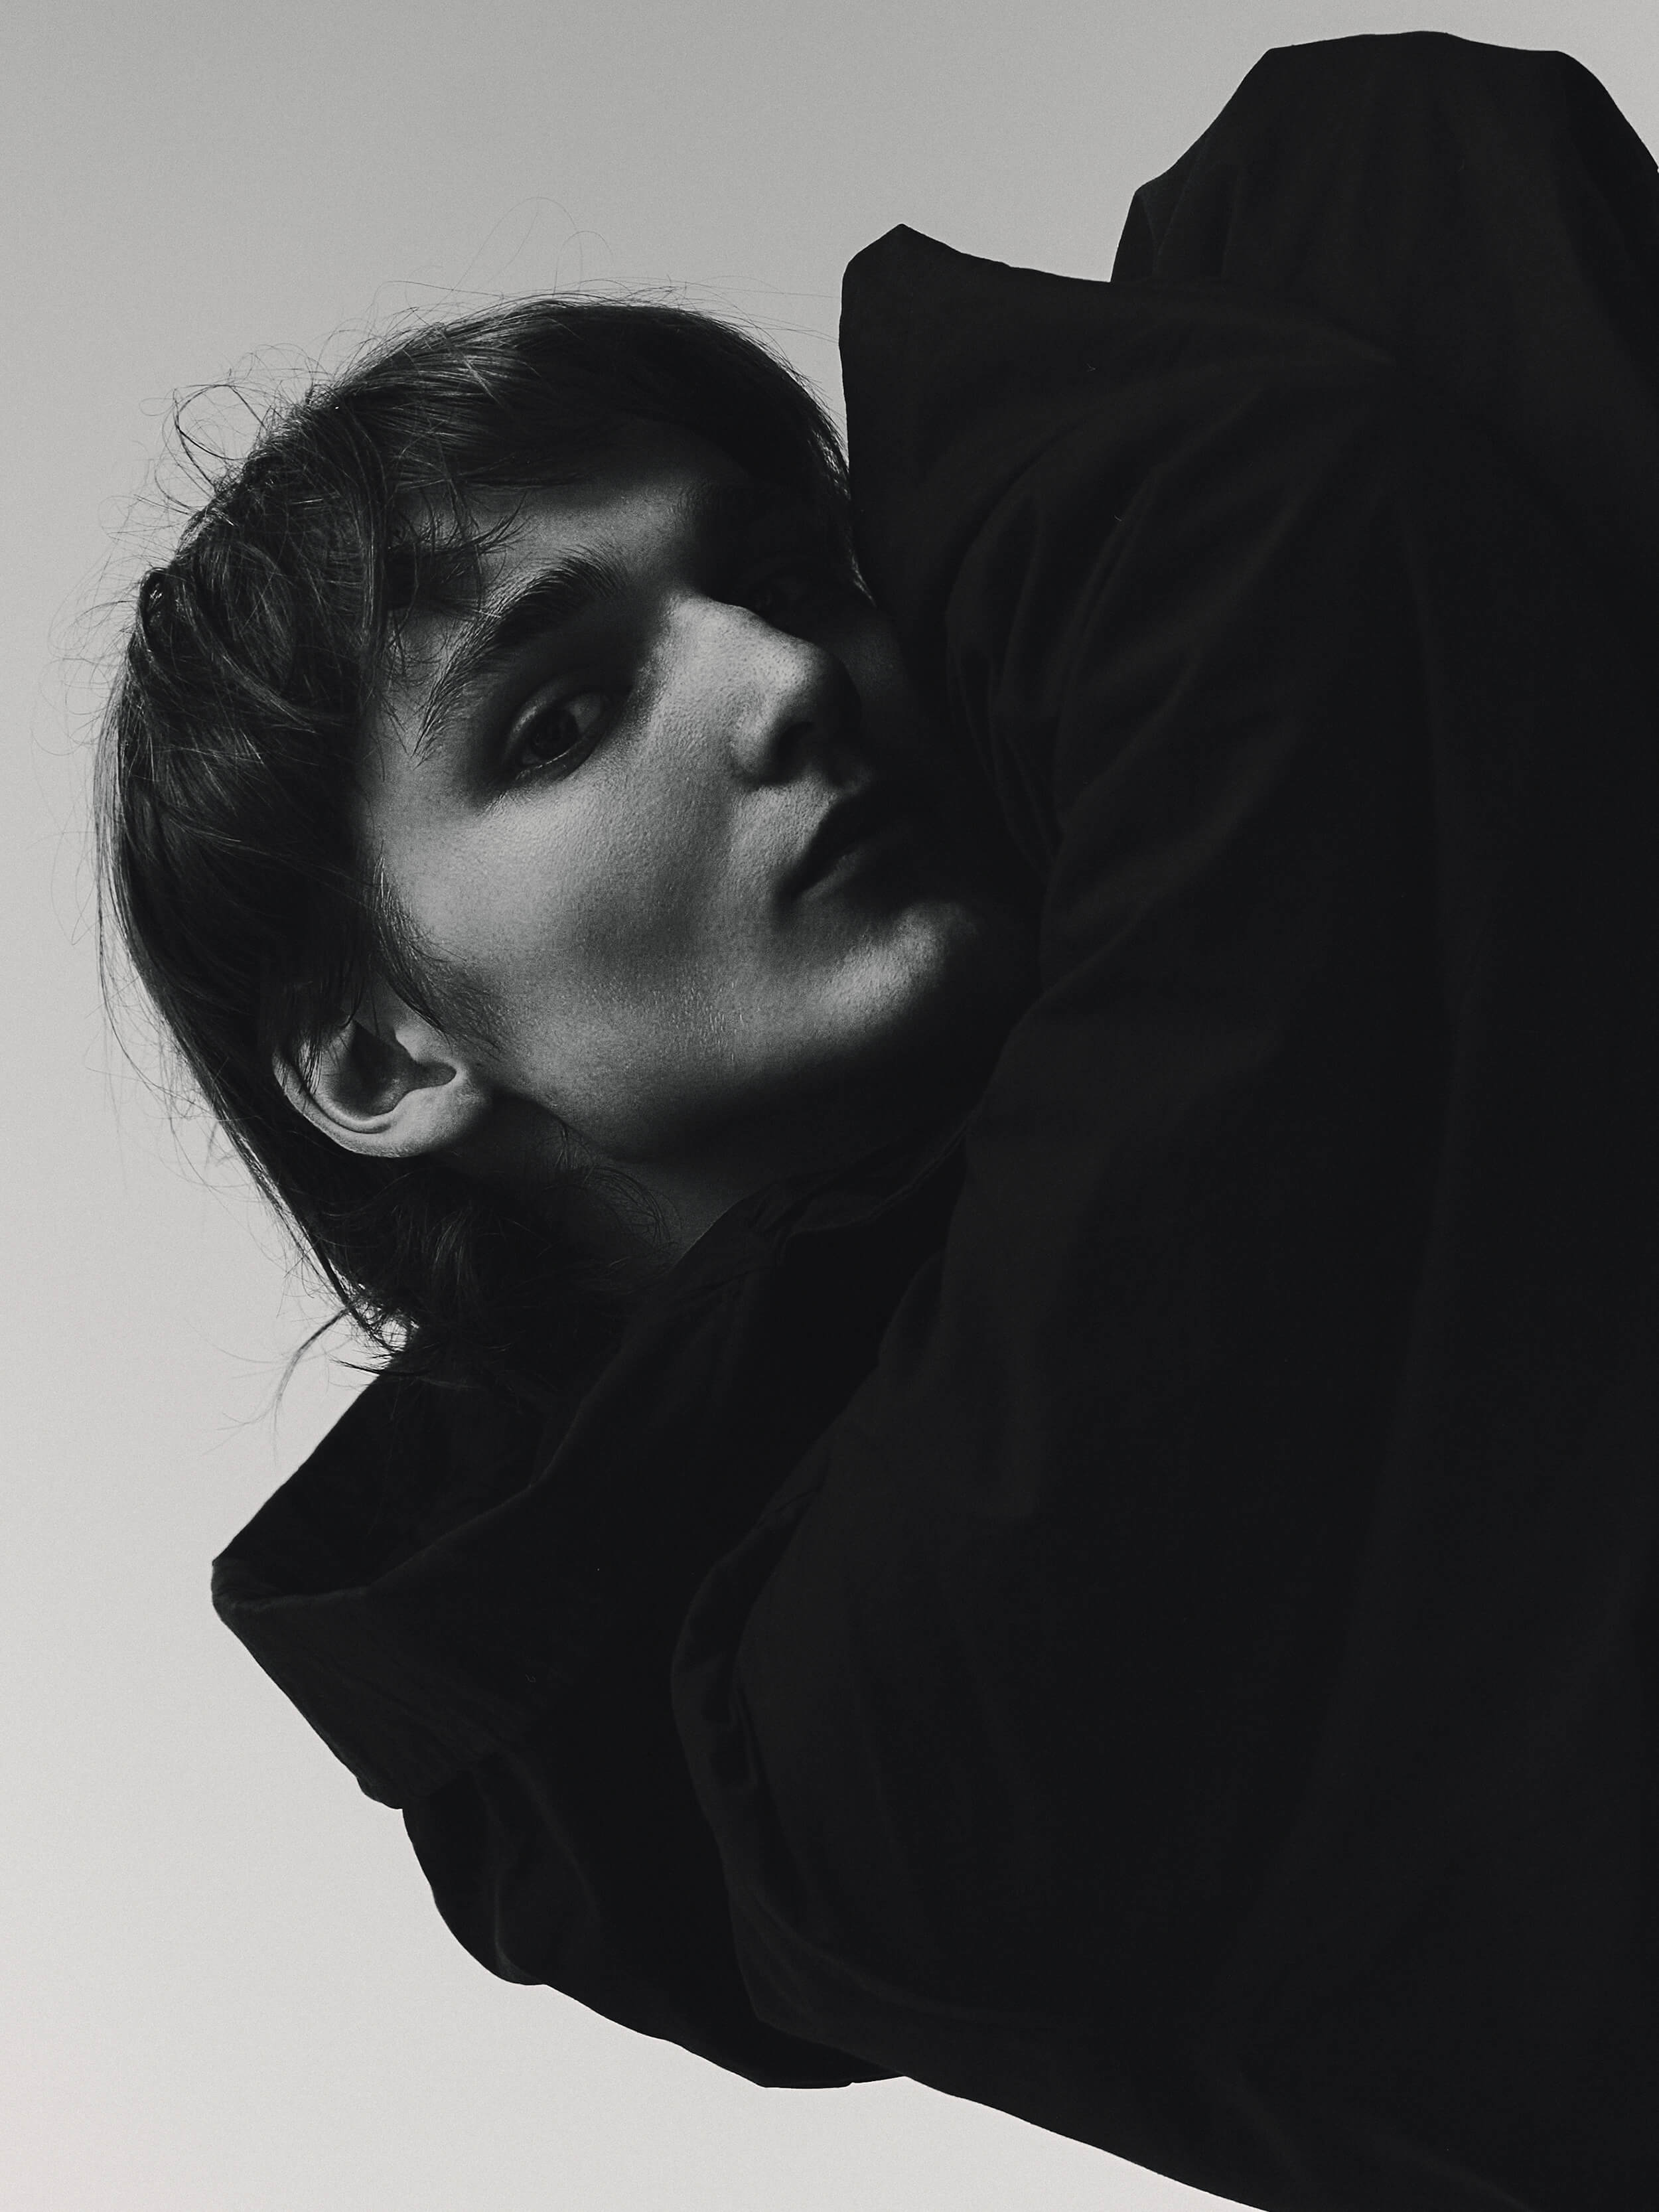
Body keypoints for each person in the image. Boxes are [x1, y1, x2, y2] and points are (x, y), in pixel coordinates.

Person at [101, 30, 1659, 2212]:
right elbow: (1283, 479)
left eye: (788, 573)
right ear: (385, 1061)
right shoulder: (837, 1750)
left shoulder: (1294, 963)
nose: (782, 681)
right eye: (562, 720)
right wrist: (914, 393)